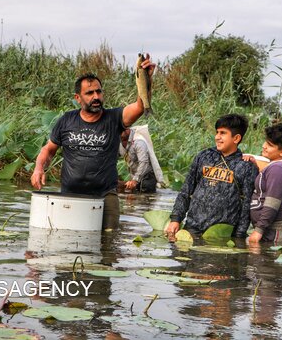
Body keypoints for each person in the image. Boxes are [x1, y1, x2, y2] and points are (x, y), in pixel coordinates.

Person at [30, 56, 156, 230]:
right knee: (68, 243)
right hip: (71, 196)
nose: (96, 97)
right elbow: (48, 149)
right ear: (78, 98)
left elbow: (140, 106)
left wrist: (146, 78)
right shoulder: (67, 120)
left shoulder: (114, 118)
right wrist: (38, 168)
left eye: (99, 92)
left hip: (105, 196)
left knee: (108, 245)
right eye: (89, 93)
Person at [164, 114, 258, 239]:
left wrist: (239, 237)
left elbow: (247, 205)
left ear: (236, 138)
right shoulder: (204, 157)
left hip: (222, 235)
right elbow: (186, 191)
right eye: (217, 132)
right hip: (192, 228)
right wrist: (176, 219)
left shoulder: (246, 166)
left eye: (223, 133)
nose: (217, 137)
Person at [247, 123, 282, 246]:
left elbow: (272, 203)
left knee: (267, 265)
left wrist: (258, 231)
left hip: (275, 232)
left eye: (270, 145)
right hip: (269, 230)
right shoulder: (274, 166)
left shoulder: (278, 169)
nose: (264, 146)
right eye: (266, 142)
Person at [119, 126, 162, 193]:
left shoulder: (138, 142)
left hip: (147, 177)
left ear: (128, 129)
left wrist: (135, 180)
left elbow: (144, 162)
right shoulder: (119, 142)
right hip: (135, 176)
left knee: (145, 198)